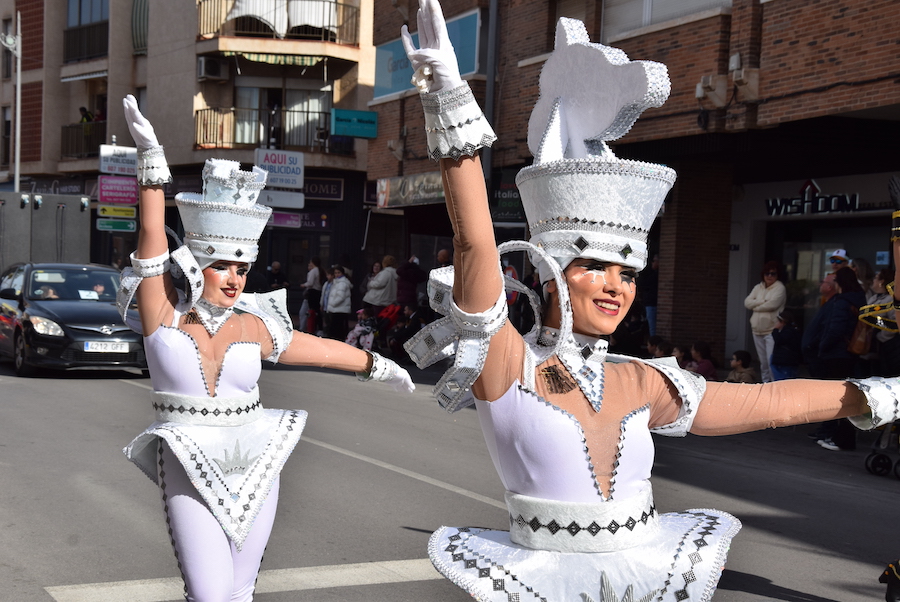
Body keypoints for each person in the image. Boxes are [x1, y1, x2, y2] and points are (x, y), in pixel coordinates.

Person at [399, 3, 895, 599]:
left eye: (629, 274)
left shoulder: (640, 380)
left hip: (643, 577)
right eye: (595, 267)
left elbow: (769, 402)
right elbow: (474, 241)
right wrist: (446, 96)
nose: (617, 286)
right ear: (551, 273)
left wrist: (886, 392)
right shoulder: (508, 363)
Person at [117, 95, 414, 602]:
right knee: (209, 595)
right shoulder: (162, 313)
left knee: (240, 591)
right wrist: (150, 160)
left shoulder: (254, 324)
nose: (235, 279)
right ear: (196, 264)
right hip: (188, 462)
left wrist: (379, 364)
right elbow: (150, 233)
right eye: (222, 266)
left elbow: (318, 350)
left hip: (256, 463)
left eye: (242, 268)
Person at [743, 261, 786, 382]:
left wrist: (755, 306)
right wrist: (762, 301)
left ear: (777, 275)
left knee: (771, 361)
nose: (770, 276)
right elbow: (747, 302)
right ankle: (765, 384)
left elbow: (772, 305)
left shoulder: (780, 288)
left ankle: (774, 385)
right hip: (757, 330)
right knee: (763, 363)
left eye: (773, 274)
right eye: (767, 273)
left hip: (771, 330)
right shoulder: (758, 287)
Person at [769, 310, 802, 381]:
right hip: (787, 360)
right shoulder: (793, 331)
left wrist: (775, 330)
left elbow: (779, 340)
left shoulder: (788, 332)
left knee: (783, 380)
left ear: (782, 322)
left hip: (784, 360)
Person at [325, 264, 352, 341]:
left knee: (337, 330)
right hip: (337, 309)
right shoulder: (336, 282)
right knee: (336, 329)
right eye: (335, 273)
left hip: (339, 309)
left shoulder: (342, 283)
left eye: (338, 273)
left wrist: (332, 304)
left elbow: (340, 297)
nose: (337, 274)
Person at [297, 257, 322, 333]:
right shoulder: (320, 270)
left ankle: (307, 328)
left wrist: (304, 285)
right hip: (318, 292)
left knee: (310, 311)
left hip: (312, 292)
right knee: (316, 311)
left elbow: (310, 283)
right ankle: (316, 328)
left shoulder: (313, 271)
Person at [640, 253, 659, 336]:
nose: (652, 263)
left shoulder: (656, 276)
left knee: (652, 327)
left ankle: (653, 341)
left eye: (654, 261)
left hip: (652, 304)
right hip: (649, 304)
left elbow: (645, 284)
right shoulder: (652, 274)